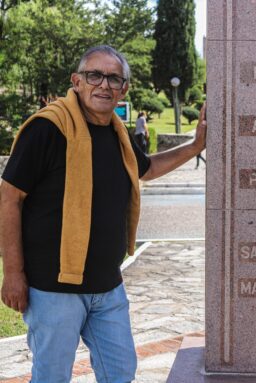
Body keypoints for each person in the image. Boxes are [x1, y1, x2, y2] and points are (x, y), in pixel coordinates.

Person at [0, 45, 206, 383]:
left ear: (124, 88)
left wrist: (196, 146)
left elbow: (148, 168)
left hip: (107, 286)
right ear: (77, 81)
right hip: (54, 289)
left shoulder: (118, 132)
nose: (104, 85)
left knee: (120, 372)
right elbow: (9, 197)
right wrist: (13, 274)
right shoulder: (48, 129)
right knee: (51, 377)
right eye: (95, 75)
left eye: (113, 78)